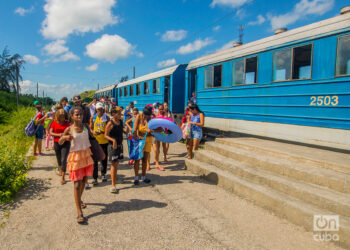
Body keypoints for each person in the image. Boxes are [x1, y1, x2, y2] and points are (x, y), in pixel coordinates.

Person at [60, 106, 94, 224]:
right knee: (76, 185)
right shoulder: (69, 129)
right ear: (72, 116)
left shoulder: (85, 127)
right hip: (75, 158)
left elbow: (92, 136)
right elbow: (60, 141)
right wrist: (65, 137)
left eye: (81, 114)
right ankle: (79, 211)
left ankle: (79, 199)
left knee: (84, 181)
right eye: (77, 114)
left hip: (86, 157)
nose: (79, 116)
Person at [132, 106, 157, 185]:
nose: (146, 117)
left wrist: (151, 130)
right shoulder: (138, 117)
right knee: (137, 159)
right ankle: (136, 177)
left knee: (145, 159)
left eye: (148, 115)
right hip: (139, 141)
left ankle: (143, 176)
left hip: (148, 140)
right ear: (143, 113)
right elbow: (135, 129)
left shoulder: (150, 119)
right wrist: (137, 137)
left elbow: (157, 129)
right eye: (145, 115)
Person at [104, 107, 124, 193]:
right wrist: (113, 140)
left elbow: (121, 130)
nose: (120, 115)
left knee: (117, 162)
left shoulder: (121, 122)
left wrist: (126, 131)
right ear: (113, 114)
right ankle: (112, 184)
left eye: (120, 113)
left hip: (119, 145)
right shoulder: (110, 123)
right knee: (113, 164)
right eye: (118, 113)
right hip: (112, 147)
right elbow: (105, 135)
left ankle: (115, 179)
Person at [90, 102, 109, 185]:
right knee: (95, 160)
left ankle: (103, 174)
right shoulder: (93, 118)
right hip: (96, 142)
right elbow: (90, 128)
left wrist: (103, 131)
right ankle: (95, 178)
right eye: (98, 109)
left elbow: (109, 129)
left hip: (104, 141)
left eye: (101, 109)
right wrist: (93, 131)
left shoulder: (107, 118)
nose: (100, 111)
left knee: (104, 159)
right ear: (96, 110)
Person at [50, 109, 71, 184]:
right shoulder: (54, 123)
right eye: (61, 117)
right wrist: (59, 135)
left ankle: (63, 177)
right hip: (56, 143)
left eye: (63, 116)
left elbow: (71, 132)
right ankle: (60, 168)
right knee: (58, 159)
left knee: (63, 159)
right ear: (58, 116)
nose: (62, 118)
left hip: (66, 143)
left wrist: (66, 136)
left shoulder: (67, 123)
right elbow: (51, 132)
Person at [152, 104, 167, 170]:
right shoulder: (155, 114)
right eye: (160, 109)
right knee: (157, 147)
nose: (161, 110)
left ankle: (165, 157)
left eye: (162, 109)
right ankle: (157, 161)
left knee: (164, 145)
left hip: (163, 132)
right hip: (157, 132)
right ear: (158, 109)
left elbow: (166, 122)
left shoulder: (165, 114)